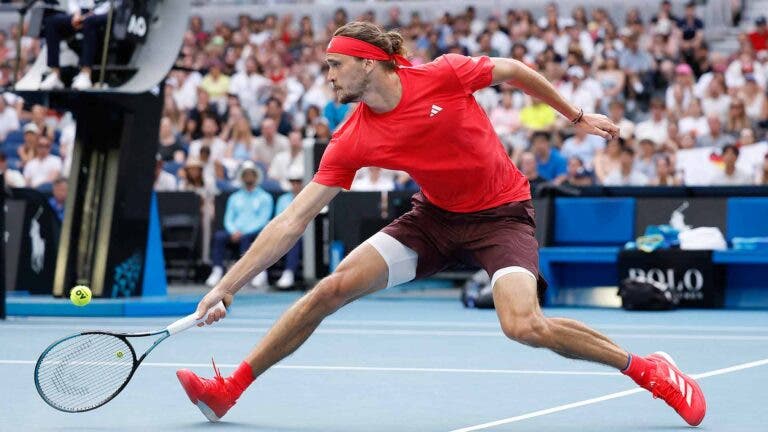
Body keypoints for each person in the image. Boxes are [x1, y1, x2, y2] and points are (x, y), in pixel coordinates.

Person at [176, 22, 706, 427]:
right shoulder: (352, 136)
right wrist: (227, 287)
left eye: (335, 64)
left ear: (369, 63)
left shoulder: (444, 74)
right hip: (433, 219)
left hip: (500, 215)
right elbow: (293, 218)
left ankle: (649, 370)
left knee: (524, 326)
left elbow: (515, 71)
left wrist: (575, 117)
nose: (329, 75)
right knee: (329, 288)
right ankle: (230, 389)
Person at [206, 161, 273, 288]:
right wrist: (233, 231)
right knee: (219, 237)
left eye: (250, 174)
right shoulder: (234, 197)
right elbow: (228, 218)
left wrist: (244, 232)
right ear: (242, 177)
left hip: (254, 232)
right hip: (235, 232)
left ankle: (252, 272)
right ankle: (217, 270)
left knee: (248, 238)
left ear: (255, 176)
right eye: (245, 174)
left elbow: (263, 219)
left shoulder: (265, 197)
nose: (248, 177)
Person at [39, 0, 111, 90]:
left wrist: (93, 14)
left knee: (89, 21)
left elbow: (113, 3)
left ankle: (86, 73)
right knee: (52, 22)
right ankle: (55, 74)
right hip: (80, 12)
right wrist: (76, 14)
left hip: (105, 13)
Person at [272, 165, 305, 289]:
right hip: (284, 232)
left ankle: (289, 272)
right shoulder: (282, 199)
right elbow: (278, 219)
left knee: (294, 239)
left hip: (302, 235)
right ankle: (260, 273)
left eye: (298, 181)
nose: (295, 184)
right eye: (293, 181)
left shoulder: (309, 198)